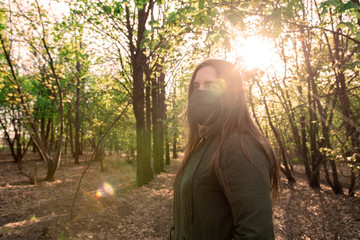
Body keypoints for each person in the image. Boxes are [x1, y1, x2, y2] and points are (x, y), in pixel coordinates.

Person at [171, 59, 280, 240]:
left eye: (210, 85)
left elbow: (257, 235)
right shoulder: (204, 143)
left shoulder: (239, 147)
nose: (200, 92)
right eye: (196, 87)